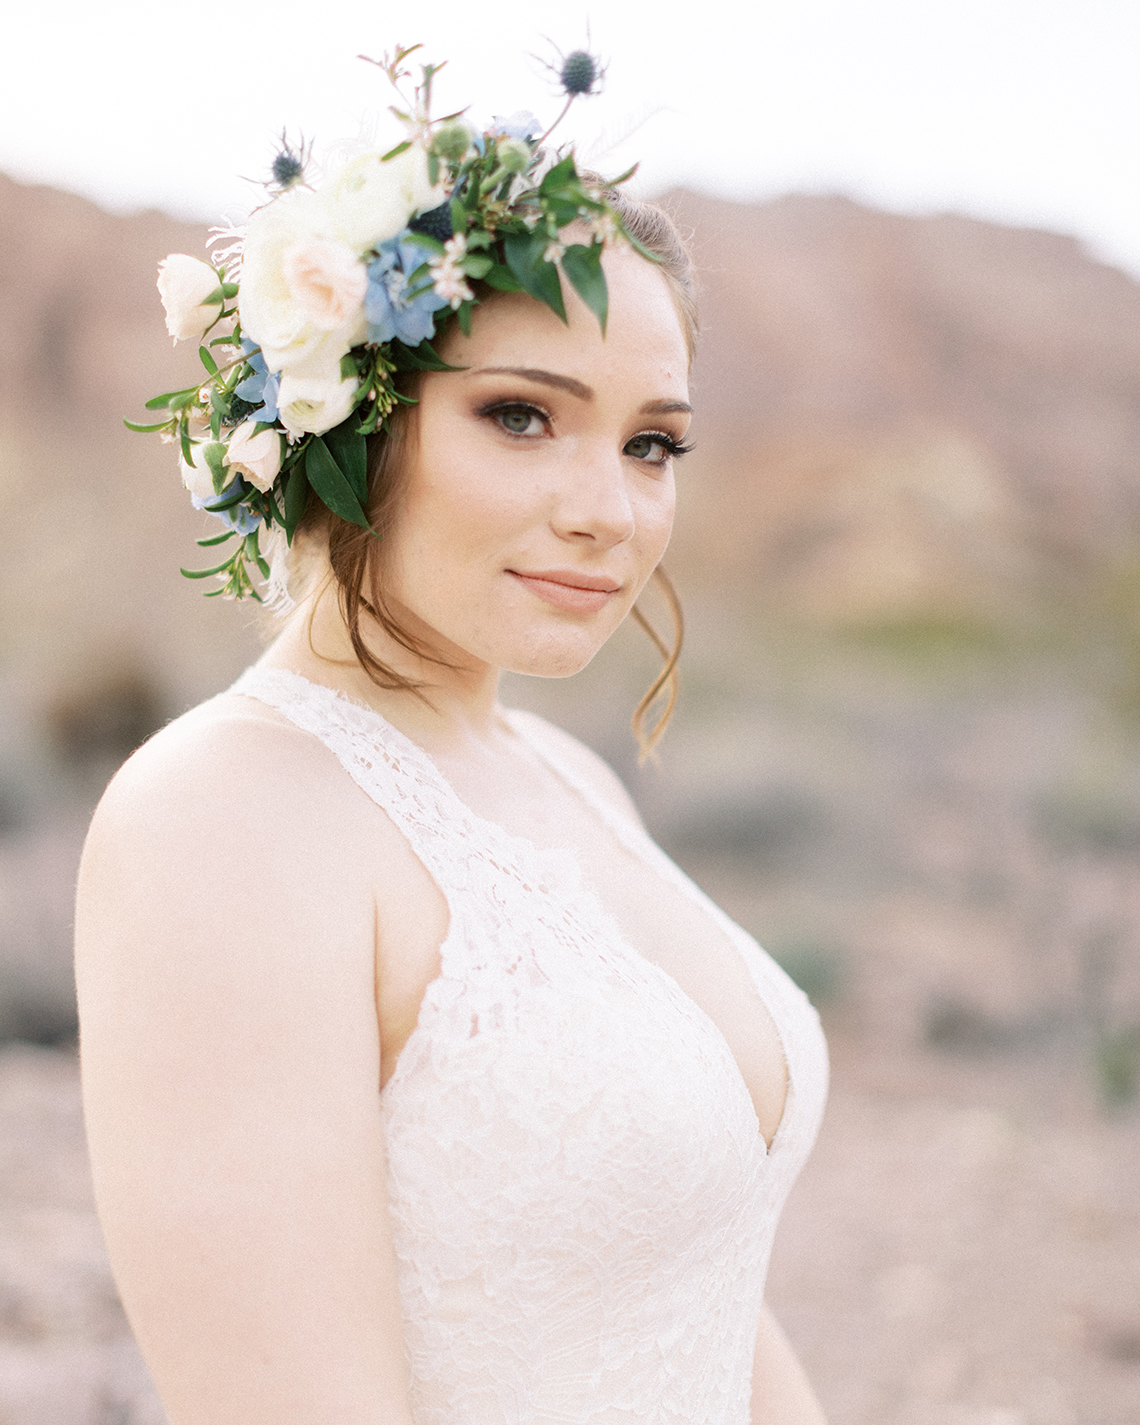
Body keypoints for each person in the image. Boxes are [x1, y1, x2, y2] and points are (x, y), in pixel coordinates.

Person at [74, 46, 830, 1425]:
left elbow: (703, 1280)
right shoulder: (224, 817)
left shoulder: (570, 776)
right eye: (521, 415)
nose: (610, 508)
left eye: (653, 442)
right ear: (346, 418)